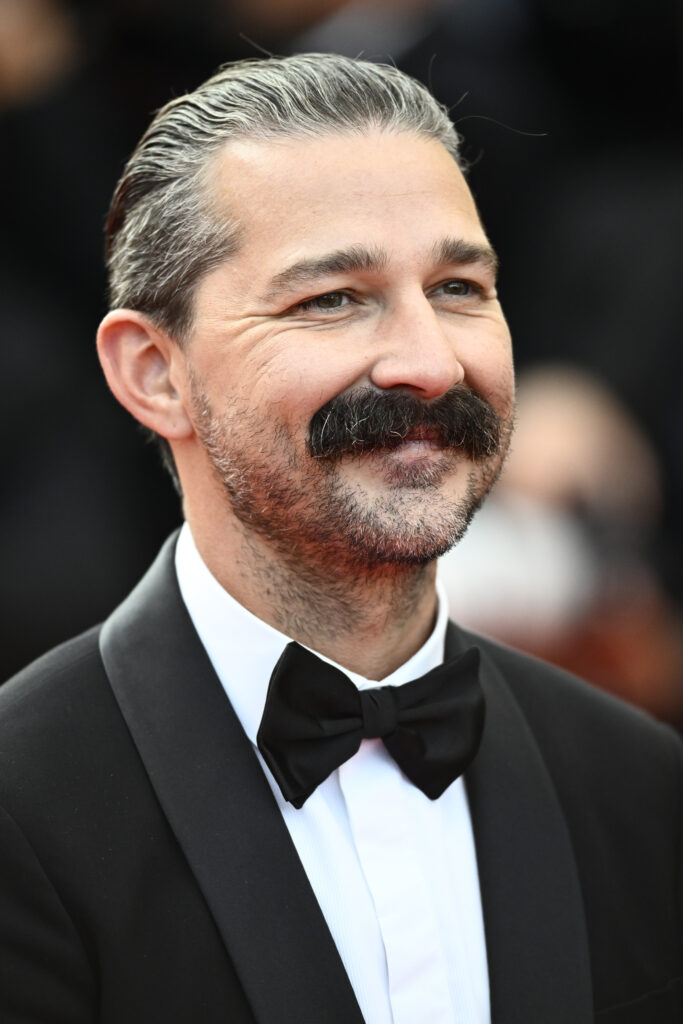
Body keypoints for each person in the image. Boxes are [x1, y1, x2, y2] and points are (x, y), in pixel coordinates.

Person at [0, 54, 680, 1024]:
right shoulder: (23, 810)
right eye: (332, 299)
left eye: (456, 288)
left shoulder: (638, 787)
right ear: (155, 373)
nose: (426, 361)